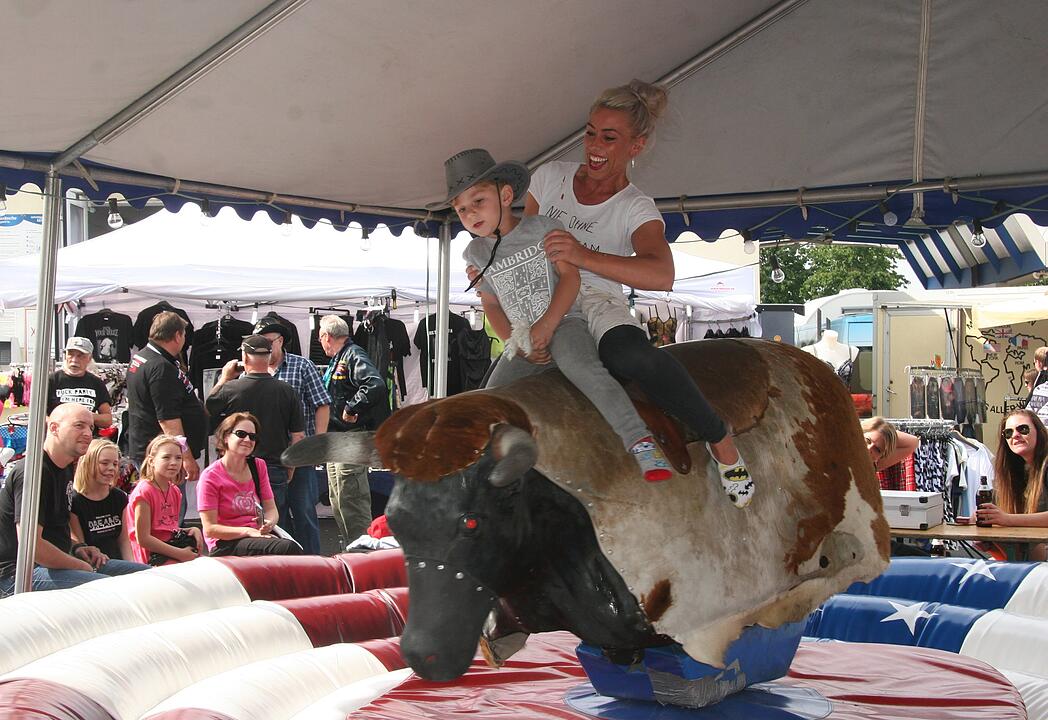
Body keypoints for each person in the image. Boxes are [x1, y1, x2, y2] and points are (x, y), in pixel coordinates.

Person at [516, 79, 752, 506]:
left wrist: (583, 254)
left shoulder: (635, 207)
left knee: (632, 357)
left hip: (599, 304)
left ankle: (720, 437)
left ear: (636, 146)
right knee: (493, 389)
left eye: (610, 137)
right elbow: (521, 246)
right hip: (547, 302)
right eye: (590, 132)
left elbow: (662, 274)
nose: (594, 145)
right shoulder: (549, 178)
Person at [440, 148, 671, 482]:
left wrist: (548, 325)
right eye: (462, 209)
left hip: (564, 322)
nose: (470, 213)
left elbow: (570, 277)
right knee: (489, 397)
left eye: (478, 201)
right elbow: (490, 304)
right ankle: (482, 468)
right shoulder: (474, 253)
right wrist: (515, 343)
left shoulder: (543, 228)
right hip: (523, 335)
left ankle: (640, 440)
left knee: (582, 367)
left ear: (505, 195)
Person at [0, 404, 148, 595]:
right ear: (54, 428)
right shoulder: (35, 471)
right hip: (18, 573)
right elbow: (32, 547)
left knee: (148, 577)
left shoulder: (65, 468)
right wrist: (78, 564)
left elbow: (55, 529)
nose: (88, 433)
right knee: (111, 592)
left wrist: (78, 547)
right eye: (79, 425)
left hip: (57, 563)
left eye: (91, 427)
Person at [206, 334, 305, 541]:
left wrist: (225, 378)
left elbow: (208, 408)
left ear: (245, 357)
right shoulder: (287, 391)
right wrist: (290, 467)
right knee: (275, 528)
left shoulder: (231, 388)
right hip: (273, 466)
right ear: (269, 358)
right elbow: (298, 435)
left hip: (238, 468)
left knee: (235, 526)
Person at [255, 317, 331, 555]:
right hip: (267, 458)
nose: (265, 349)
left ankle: (314, 565)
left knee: (304, 511)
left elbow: (322, 404)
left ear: (280, 341)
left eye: (269, 342)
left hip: (300, 455)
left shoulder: (301, 366)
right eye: (260, 343)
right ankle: (285, 564)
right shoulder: (255, 370)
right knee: (274, 516)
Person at [319, 315, 390, 547]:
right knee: (338, 498)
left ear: (326, 337)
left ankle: (363, 552)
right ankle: (350, 547)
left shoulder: (354, 354)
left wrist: (352, 407)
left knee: (352, 498)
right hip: (337, 440)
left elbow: (375, 384)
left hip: (352, 439)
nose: (320, 342)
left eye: (320, 337)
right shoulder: (340, 357)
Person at [196, 413, 301, 556]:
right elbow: (210, 529)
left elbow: (271, 509)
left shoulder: (258, 466)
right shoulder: (210, 477)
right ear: (226, 437)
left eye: (252, 436)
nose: (247, 439)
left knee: (295, 552)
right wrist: (247, 531)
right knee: (287, 549)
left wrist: (268, 523)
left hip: (255, 536)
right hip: (225, 543)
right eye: (241, 434)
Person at [126, 311, 207, 486]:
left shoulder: (143, 356)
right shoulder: (160, 367)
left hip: (150, 448)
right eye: (184, 335)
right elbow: (168, 419)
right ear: (177, 335)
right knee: (168, 506)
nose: (185, 339)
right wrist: (185, 457)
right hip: (162, 454)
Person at [977, 409, 1048, 561]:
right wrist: (991, 545)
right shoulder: (1012, 472)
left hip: (1040, 568)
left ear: (1039, 432)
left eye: (1023, 429)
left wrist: (1008, 519)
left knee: (1039, 547)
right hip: (1026, 566)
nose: (1015, 435)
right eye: (1008, 433)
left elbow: (1008, 519)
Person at [127, 434, 205, 565]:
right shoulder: (144, 492)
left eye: (178, 458)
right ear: (151, 460)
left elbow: (167, 528)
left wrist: (191, 530)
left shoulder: (174, 491)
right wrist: (179, 554)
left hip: (170, 548)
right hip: (152, 557)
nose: (173, 463)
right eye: (166, 457)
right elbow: (143, 538)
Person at [70, 438, 134, 562]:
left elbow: (124, 541)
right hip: (94, 564)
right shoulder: (75, 500)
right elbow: (81, 546)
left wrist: (133, 569)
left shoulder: (119, 497)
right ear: (88, 463)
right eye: (104, 463)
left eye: (115, 464)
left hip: (118, 561)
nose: (111, 468)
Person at [46, 337, 114, 433]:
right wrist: (60, 424)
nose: (74, 360)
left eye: (80, 356)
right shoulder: (52, 380)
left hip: (87, 441)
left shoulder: (96, 383)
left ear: (89, 359)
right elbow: (38, 415)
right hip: (59, 440)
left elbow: (107, 420)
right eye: (70, 354)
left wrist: (85, 416)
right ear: (65, 356)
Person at [861, 416, 919, 490]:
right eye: (867, 440)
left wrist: (886, 434)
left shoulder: (874, 466)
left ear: (881, 457)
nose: (869, 449)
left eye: (877, 450)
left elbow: (913, 442)